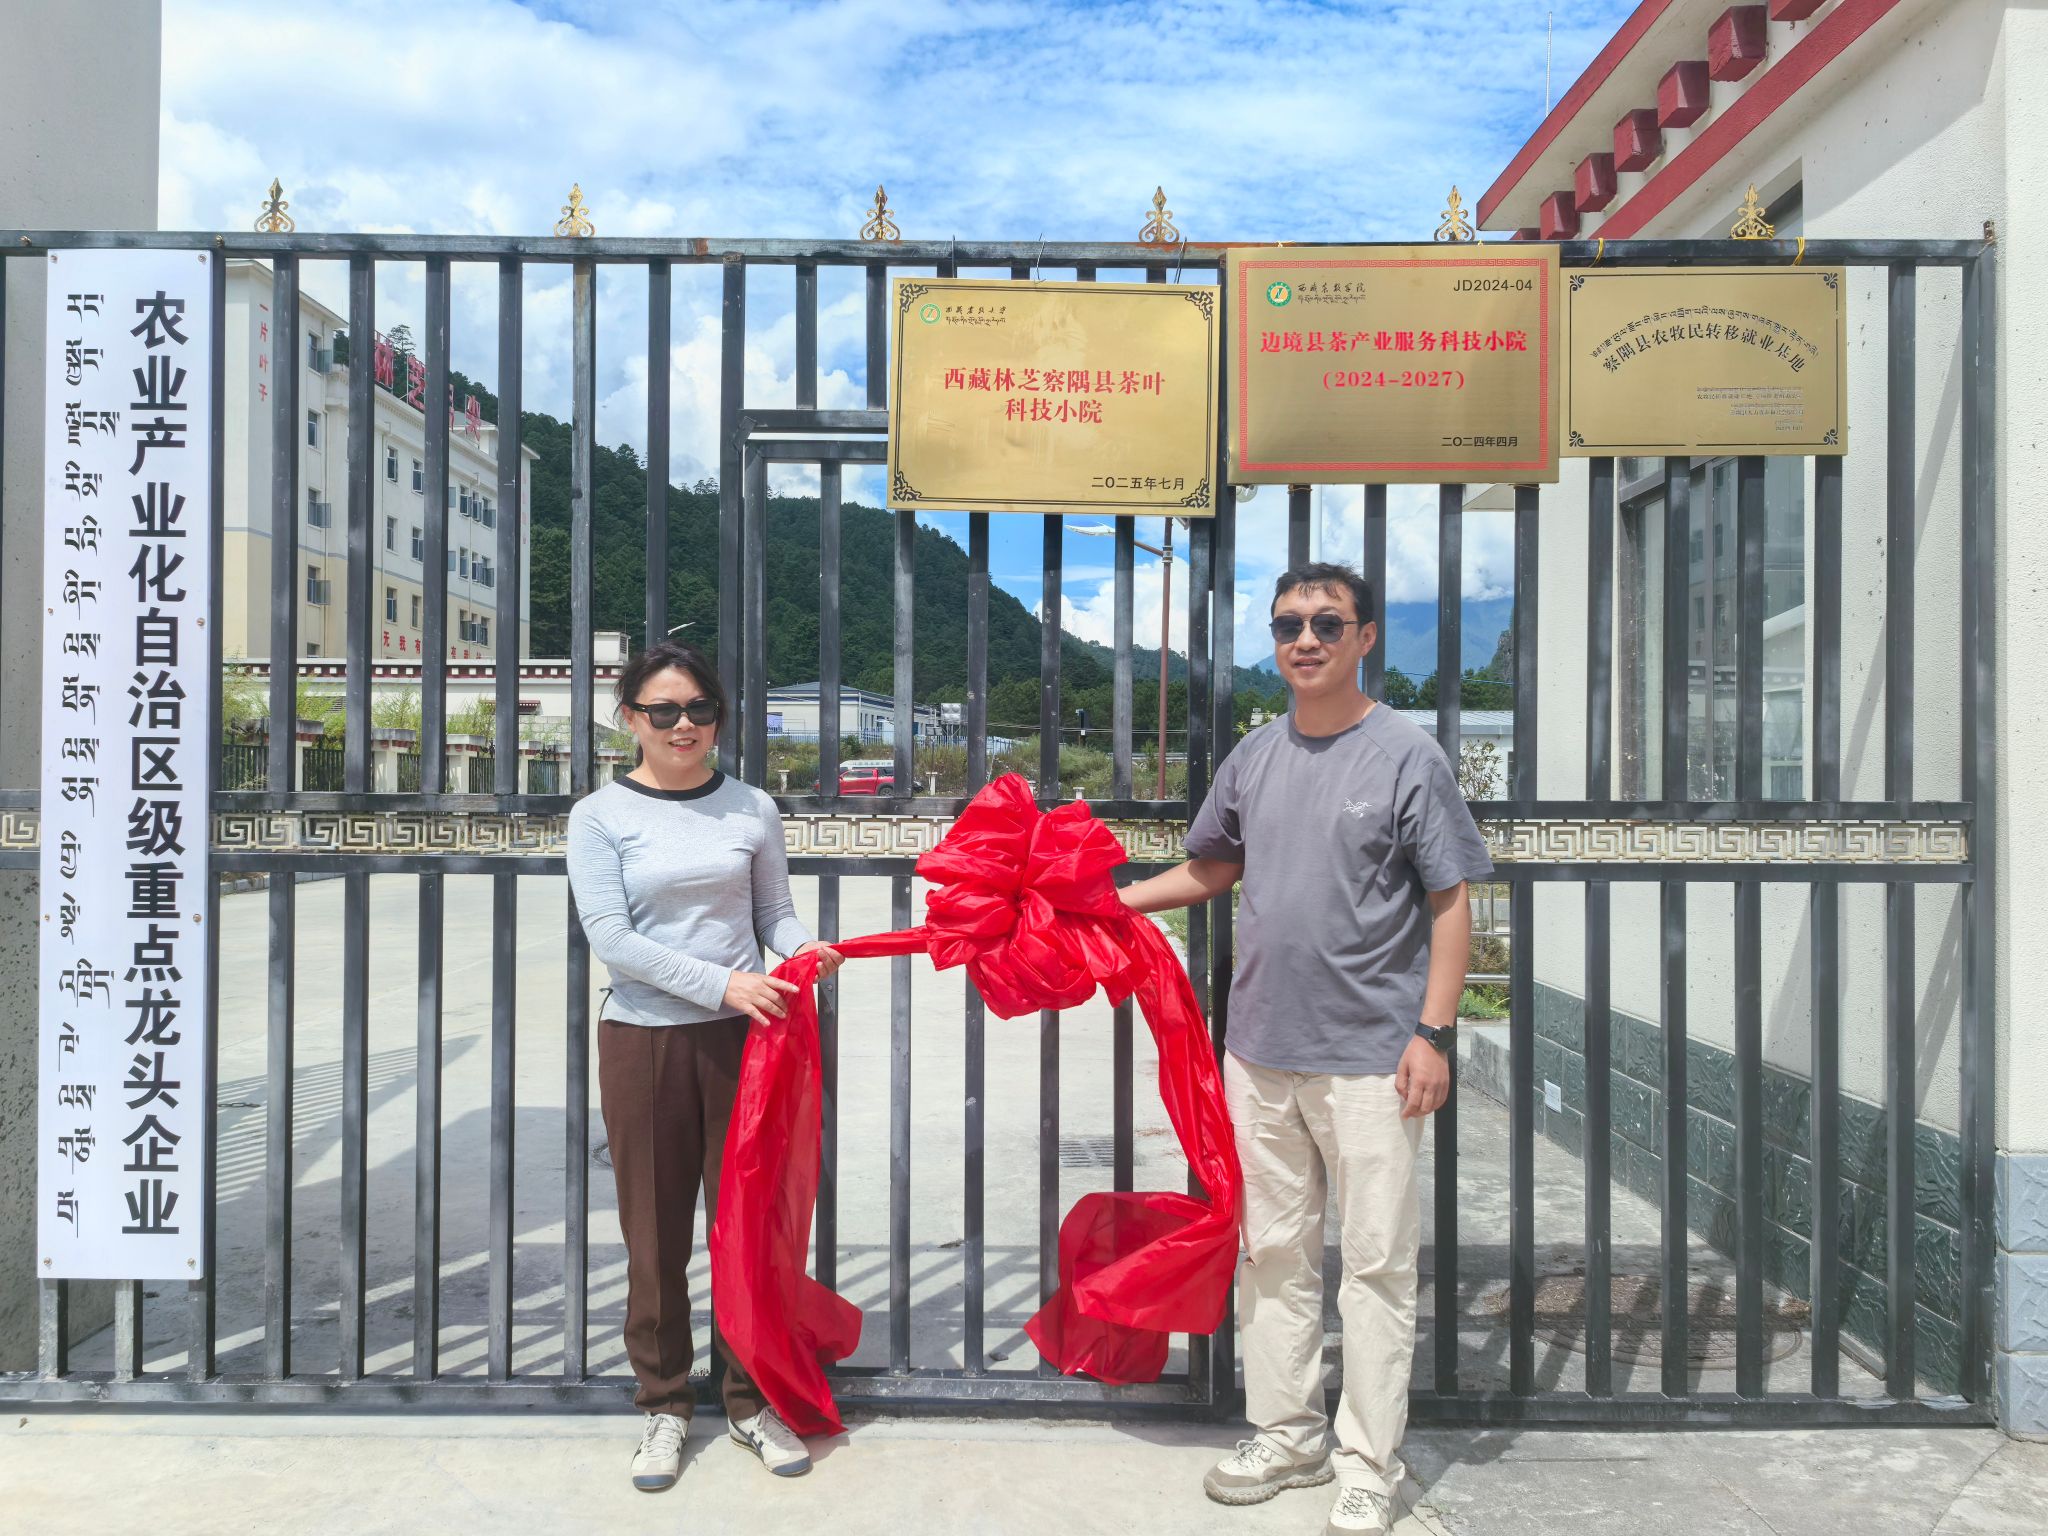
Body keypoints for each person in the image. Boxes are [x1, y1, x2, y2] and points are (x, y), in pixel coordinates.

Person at [1118, 562, 1492, 1536]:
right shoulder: (1254, 755)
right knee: (1273, 1254)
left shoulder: (1406, 755)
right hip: (1258, 1053)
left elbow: (1450, 899)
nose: (1306, 640)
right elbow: (1210, 868)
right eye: (1289, 624)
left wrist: (1433, 1033)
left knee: (1374, 1266)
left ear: (1364, 637)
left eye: (1327, 622)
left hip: (1372, 1058)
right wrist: (1109, 906)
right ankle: (1287, 1434)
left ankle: (1369, 1462)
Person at [566, 640, 843, 1492]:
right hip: (644, 1041)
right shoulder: (599, 816)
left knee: (746, 1230)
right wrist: (724, 983)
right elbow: (612, 939)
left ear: (719, 719)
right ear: (630, 719)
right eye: (663, 710)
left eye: (698, 709)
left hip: (744, 1044)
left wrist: (804, 950)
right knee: (655, 1238)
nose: (682, 725)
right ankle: (664, 1404)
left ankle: (751, 1400)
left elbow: (773, 912)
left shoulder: (751, 806)